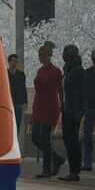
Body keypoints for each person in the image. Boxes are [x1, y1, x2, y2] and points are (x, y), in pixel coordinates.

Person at [31, 42, 64, 178]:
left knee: (44, 138)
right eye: (39, 55)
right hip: (39, 106)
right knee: (35, 138)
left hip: (50, 107)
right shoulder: (40, 71)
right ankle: (57, 159)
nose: (40, 58)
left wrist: (62, 106)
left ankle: (46, 168)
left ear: (49, 56)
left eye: (42, 55)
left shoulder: (56, 72)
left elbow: (61, 90)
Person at [58, 44, 85, 182]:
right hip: (66, 109)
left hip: (73, 110)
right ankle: (73, 170)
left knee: (72, 140)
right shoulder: (68, 70)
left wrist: (79, 110)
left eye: (65, 52)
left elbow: (81, 92)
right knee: (68, 139)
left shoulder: (78, 71)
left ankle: (75, 170)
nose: (62, 55)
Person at [7, 54, 28, 139]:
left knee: (17, 125)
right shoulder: (5, 74)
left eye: (16, 62)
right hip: (9, 103)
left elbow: (23, 88)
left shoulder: (21, 75)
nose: (15, 64)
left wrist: (25, 101)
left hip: (19, 103)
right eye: (14, 62)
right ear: (9, 62)